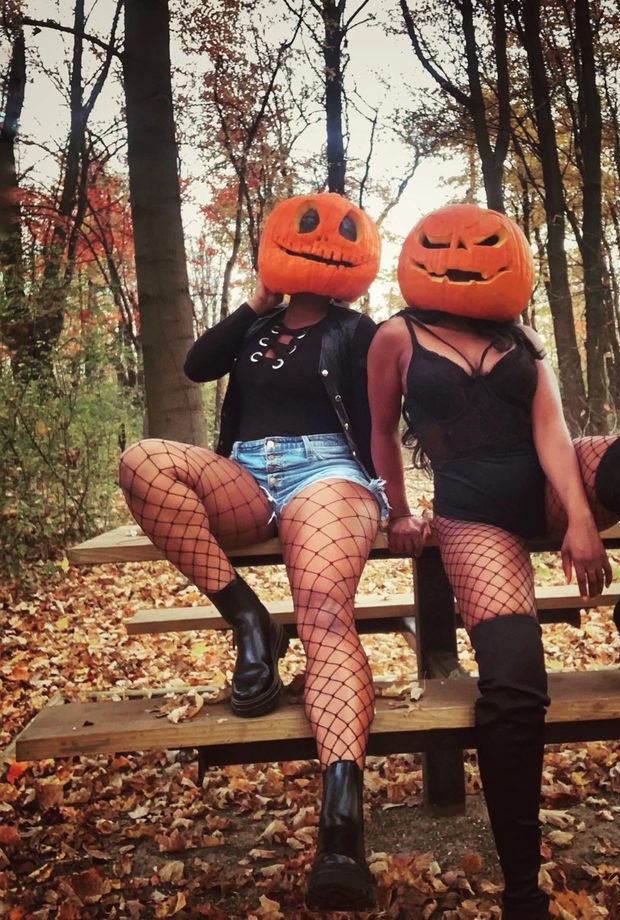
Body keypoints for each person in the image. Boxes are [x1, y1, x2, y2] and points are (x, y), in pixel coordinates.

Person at [368, 203, 620, 919]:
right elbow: (381, 434)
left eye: (485, 246)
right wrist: (396, 511)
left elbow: (552, 427)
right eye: (445, 246)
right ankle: (521, 892)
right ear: (417, 256)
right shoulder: (396, 335)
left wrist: (579, 518)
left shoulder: (521, 334)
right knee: (514, 689)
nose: (463, 255)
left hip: (545, 483)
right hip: (471, 515)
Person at [118, 192, 387, 911]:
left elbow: (388, 414)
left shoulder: (360, 331)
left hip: (328, 472)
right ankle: (248, 621)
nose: (322, 242)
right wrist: (254, 301)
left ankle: (341, 828)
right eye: (303, 232)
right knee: (143, 460)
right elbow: (197, 365)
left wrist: (395, 493)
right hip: (243, 471)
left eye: (340, 234)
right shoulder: (256, 326)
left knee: (326, 614)